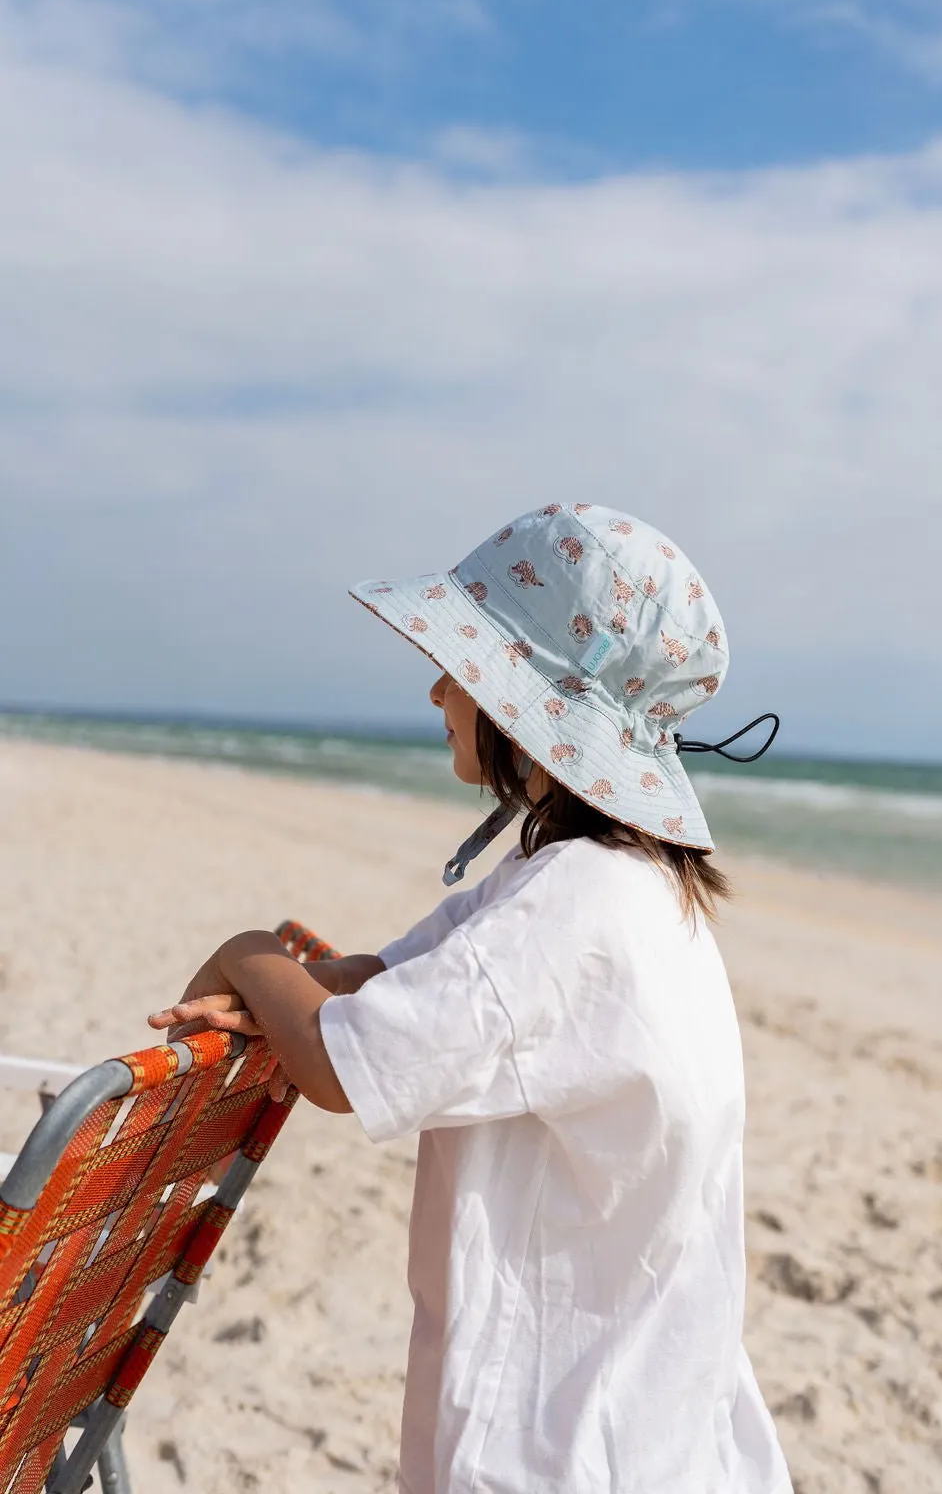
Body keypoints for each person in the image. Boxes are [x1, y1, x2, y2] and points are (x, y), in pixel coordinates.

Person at [149, 502, 793, 1494]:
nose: (438, 686)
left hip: (564, 1444)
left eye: (466, 667)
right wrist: (292, 985)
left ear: (528, 710)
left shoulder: (578, 904)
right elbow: (386, 981)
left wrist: (245, 953)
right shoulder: (606, 877)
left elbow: (336, 1065)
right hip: (643, 1416)